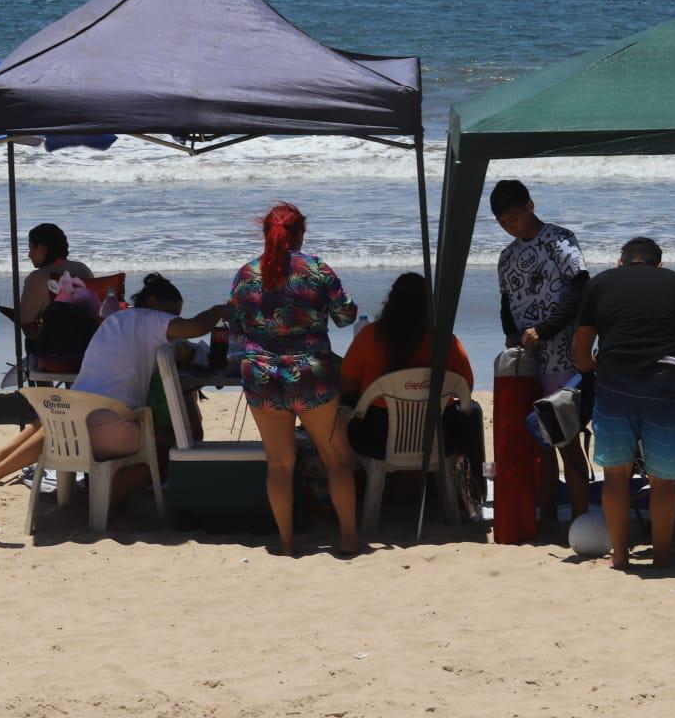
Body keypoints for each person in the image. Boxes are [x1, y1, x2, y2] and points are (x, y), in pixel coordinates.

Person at [0, 273, 223, 495]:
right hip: (107, 433)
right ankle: (112, 497)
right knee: (172, 440)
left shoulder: (117, 319)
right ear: (153, 303)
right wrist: (220, 309)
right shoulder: (150, 320)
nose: (173, 321)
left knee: (66, 416)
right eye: (172, 314)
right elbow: (196, 327)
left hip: (73, 425)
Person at [227, 203, 361, 556]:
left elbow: (236, 327)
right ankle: (348, 539)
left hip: (261, 374)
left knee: (280, 463)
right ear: (301, 233)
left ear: (265, 234)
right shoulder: (315, 268)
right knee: (336, 458)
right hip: (310, 374)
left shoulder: (246, 273)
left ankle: (286, 544)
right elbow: (347, 316)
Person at [571, 236, 675, 569]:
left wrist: (593, 368)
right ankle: (660, 557)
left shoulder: (600, 284)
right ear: (660, 263)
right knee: (664, 480)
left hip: (616, 382)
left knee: (615, 476)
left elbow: (580, 351)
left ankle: (620, 556)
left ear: (620, 261)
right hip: (666, 382)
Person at [491, 179, 593, 521]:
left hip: (560, 357)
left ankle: (580, 515)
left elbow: (582, 290)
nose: (511, 227)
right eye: (503, 223)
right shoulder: (506, 258)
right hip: (526, 361)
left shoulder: (558, 241)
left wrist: (546, 330)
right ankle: (547, 517)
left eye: (514, 218)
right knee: (540, 445)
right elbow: (506, 303)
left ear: (530, 206)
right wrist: (510, 334)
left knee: (566, 439)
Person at [340, 272, 483, 475]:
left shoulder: (369, 336)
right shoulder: (445, 340)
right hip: (440, 437)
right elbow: (466, 388)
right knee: (473, 410)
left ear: (391, 301)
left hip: (377, 439)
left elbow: (347, 388)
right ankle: (473, 486)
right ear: (429, 304)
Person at [17, 222, 94, 339]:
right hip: (86, 343)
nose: (29, 255)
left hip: (52, 348)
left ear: (42, 249)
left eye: (31, 248)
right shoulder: (83, 269)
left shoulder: (37, 277)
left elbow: (26, 321)